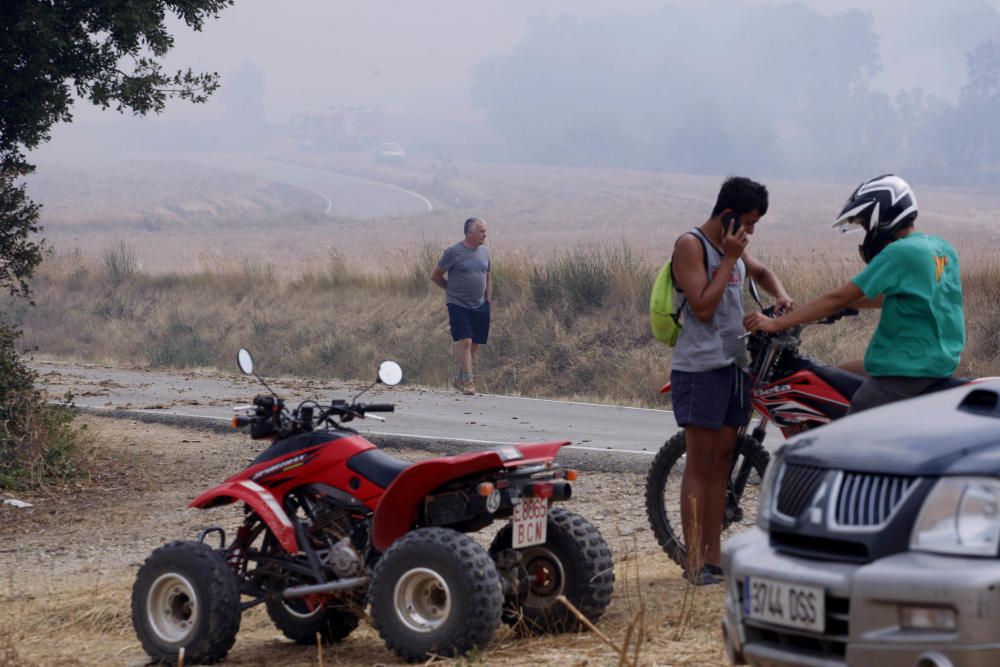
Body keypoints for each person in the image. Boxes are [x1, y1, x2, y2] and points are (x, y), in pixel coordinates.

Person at [744, 174, 965, 414]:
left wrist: (777, 324)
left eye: (864, 224)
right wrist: (834, 307)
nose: (866, 233)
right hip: (936, 364)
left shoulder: (899, 253)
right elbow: (899, 297)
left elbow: (838, 297)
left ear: (880, 217)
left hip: (909, 370)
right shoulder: (941, 248)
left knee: (854, 423)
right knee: (842, 373)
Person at [670, 176, 795, 585]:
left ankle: (712, 555)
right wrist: (727, 259)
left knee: (722, 463)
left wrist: (780, 295)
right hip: (700, 369)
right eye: (749, 222)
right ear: (728, 216)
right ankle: (693, 558)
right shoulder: (691, 246)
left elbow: (762, 272)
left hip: (735, 366)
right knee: (700, 463)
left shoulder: (737, 252)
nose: (752, 232)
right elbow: (702, 307)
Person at [431, 217, 492, 395]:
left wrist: (488, 300)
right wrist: (451, 290)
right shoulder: (453, 252)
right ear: (469, 233)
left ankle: (459, 378)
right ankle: (468, 381)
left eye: (485, 231)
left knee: (475, 345)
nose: (485, 234)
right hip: (458, 304)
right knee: (465, 340)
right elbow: (435, 275)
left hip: (480, 305)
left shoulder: (485, 252)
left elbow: (488, 277)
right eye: (481, 231)